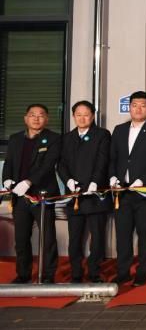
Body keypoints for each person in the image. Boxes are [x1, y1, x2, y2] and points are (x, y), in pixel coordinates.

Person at [109, 91, 146, 286]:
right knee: (123, 234)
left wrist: (143, 179)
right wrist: (113, 177)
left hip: (145, 192)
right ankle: (123, 271)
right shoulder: (119, 130)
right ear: (130, 107)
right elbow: (112, 157)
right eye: (135, 105)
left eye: (143, 105)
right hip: (122, 192)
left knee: (145, 234)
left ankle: (142, 271)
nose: (138, 109)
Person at [1, 104, 61, 284]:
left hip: (42, 196)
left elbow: (48, 165)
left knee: (47, 238)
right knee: (21, 238)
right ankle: (23, 274)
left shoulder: (54, 138)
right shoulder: (15, 138)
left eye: (41, 115)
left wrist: (29, 182)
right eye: (32, 115)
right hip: (19, 197)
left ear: (47, 119)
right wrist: (7, 179)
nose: (36, 118)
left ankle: (48, 275)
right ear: (25, 118)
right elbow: (9, 162)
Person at [57, 100, 112, 283]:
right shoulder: (67, 138)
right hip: (74, 196)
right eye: (78, 115)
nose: (82, 118)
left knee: (97, 237)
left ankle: (95, 272)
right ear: (73, 116)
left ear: (93, 116)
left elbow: (103, 161)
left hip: (95, 195)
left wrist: (95, 182)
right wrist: (68, 180)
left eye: (86, 114)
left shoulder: (102, 135)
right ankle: (76, 273)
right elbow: (61, 164)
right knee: (74, 238)